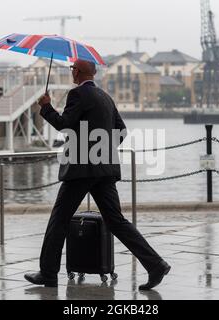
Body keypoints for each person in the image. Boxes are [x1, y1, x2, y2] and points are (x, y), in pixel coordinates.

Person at [24, 59, 170, 291]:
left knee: (59, 220)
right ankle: (155, 265)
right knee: (117, 221)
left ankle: (48, 274)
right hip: (105, 168)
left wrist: (46, 107)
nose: (71, 72)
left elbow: (64, 125)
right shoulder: (105, 97)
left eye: (72, 69)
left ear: (78, 72)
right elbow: (121, 132)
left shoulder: (77, 95)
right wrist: (100, 148)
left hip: (82, 169)